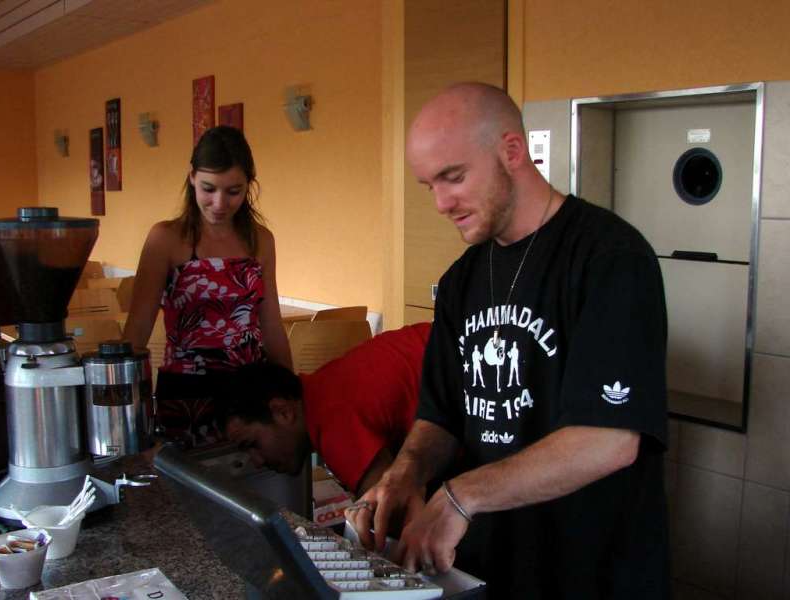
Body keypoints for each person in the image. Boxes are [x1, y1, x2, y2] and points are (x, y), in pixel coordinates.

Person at [350, 83, 669, 598]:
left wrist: (457, 498)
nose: (440, 202)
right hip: (486, 563)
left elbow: (609, 440)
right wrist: (406, 472)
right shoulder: (461, 280)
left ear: (512, 151)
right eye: (428, 185)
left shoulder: (610, 259)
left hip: (589, 569)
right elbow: (441, 414)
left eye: (453, 177)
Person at [124, 125, 292, 447]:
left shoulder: (260, 240)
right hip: (187, 394)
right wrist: (127, 404)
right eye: (208, 188)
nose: (219, 203)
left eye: (233, 191)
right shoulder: (166, 238)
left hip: (250, 392)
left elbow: (270, 324)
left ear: (249, 187)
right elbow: (139, 326)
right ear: (191, 178)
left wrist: (290, 391)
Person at [224, 322, 431, 496]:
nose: (257, 462)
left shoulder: (330, 421)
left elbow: (393, 514)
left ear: (283, 412)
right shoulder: (322, 386)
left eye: (253, 444)